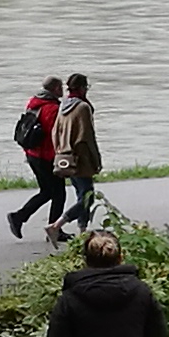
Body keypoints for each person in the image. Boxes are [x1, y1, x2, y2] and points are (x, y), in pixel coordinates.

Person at [6, 66, 67, 239]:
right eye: (61, 87)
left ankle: (19, 217)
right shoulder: (52, 109)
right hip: (45, 156)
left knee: (47, 191)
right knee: (59, 193)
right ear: (55, 89)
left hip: (32, 154)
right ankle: (54, 230)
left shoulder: (35, 103)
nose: (62, 90)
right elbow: (53, 134)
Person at [53, 70, 100, 236]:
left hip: (67, 157)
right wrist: (96, 160)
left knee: (82, 194)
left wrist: (59, 151)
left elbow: (55, 132)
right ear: (81, 88)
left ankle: (83, 231)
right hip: (82, 158)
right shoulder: (83, 107)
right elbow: (87, 137)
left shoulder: (63, 106)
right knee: (88, 197)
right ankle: (57, 225)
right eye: (86, 87)